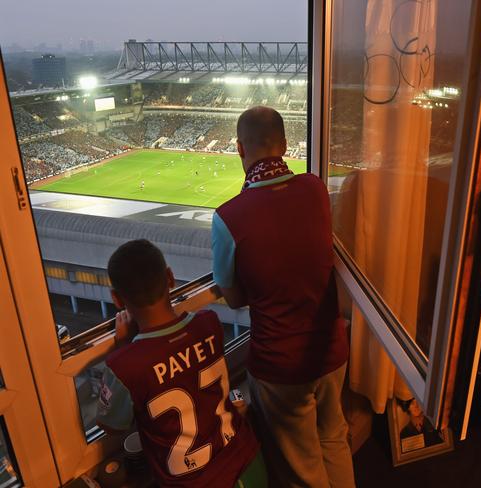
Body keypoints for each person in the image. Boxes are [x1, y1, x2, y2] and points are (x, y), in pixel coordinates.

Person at [211, 106, 354, 488]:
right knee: (335, 440)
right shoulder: (314, 188)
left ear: (240, 149)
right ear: (286, 146)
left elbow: (234, 298)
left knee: (302, 469)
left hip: (281, 367)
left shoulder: (228, 217)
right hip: (332, 350)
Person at [96, 239, 265, 488]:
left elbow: (110, 425)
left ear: (117, 300)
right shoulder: (209, 323)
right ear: (170, 277)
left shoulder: (124, 365)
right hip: (249, 461)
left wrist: (125, 347)